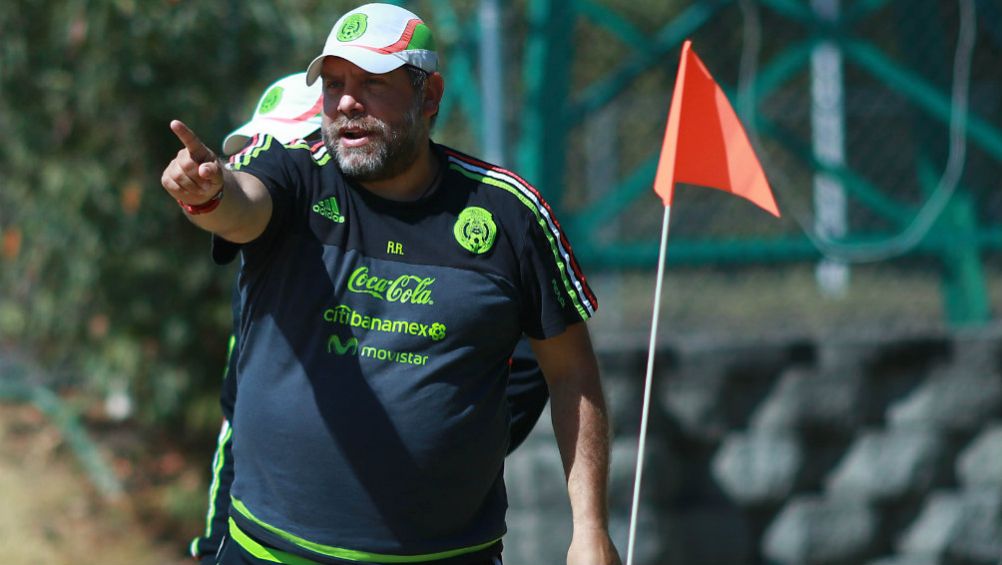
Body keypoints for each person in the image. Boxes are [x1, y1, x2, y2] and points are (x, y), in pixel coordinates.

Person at [162, 4, 619, 564]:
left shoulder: (509, 215)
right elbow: (241, 205)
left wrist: (590, 528)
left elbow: (571, 371)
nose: (347, 102)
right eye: (333, 85)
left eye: (372, 84)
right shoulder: (292, 173)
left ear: (429, 97)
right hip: (270, 553)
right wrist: (206, 194)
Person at [189, 72, 551, 564]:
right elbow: (236, 428)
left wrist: (451, 452)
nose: (256, 169)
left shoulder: (466, 225)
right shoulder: (261, 275)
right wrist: (213, 549)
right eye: (247, 152)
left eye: (272, 150)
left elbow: (537, 360)